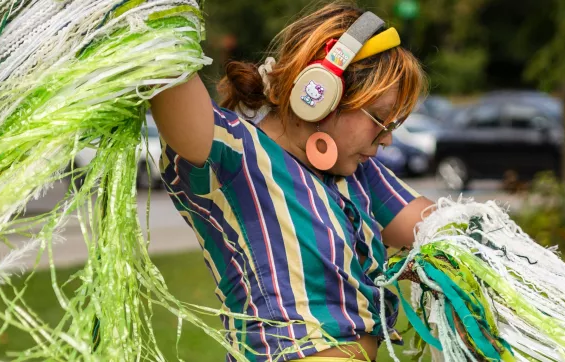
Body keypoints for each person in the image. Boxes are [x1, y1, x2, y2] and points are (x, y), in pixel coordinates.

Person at [149, 2, 434, 361]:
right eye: (380, 119)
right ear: (321, 92)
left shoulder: (357, 172)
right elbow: (163, 56)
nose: (387, 139)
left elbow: (439, 231)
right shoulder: (233, 151)